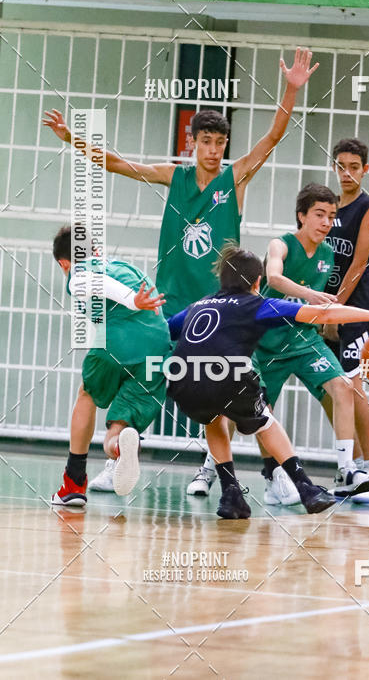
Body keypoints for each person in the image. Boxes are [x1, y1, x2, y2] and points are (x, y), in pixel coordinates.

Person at [43, 48, 319, 497]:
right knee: (147, 377)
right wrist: (72, 139)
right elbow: (117, 163)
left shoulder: (236, 178)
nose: (213, 150)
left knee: (226, 389)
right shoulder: (174, 178)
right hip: (169, 306)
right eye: (206, 142)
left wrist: (290, 90)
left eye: (220, 143)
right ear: (193, 143)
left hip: (219, 308)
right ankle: (120, 455)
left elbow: (272, 137)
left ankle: (231, 472)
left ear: (225, 146)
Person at [165, 244, 369, 518]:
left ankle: (230, 494)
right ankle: (305, 487)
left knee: (214, 419)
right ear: (258, 282)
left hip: (182, 381)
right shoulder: (256, 303)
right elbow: (322, 314)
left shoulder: (198, 305)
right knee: (265, 420)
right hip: (228, 376)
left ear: (222, 280)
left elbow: (163, 330)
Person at [255, 182, 369, 498]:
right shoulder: (280, 245)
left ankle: (346, 470)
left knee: (343, 387)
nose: (326, 222)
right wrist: (309, 295)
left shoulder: (326, 254)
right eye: (319, 214)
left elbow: (328, 310)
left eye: (331, 216)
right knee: (260, 412)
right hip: (267, 344)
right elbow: (273, 277)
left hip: (303, 341)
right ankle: (264, 474)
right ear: (302, 216)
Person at [50, 225, 171, 506]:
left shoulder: (78, 272)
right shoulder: (124, 266)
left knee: (87, 394)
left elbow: (95, 283)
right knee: (121, 424)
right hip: (157, 349)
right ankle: (120, 447)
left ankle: (74, 482)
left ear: (64, 262)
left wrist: (131, 300)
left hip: (117, 340)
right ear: (95, 249)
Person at [323, 137, 369, 502]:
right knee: (335, 389)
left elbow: (359, 263)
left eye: (354, 166)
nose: (346, 173)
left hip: (357, 307)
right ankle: (354, 465)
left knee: (354, 386)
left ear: (365, 169)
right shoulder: (326, 208)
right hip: (328, 306)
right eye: (340, 165)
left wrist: (336, 311)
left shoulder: (367, 207)